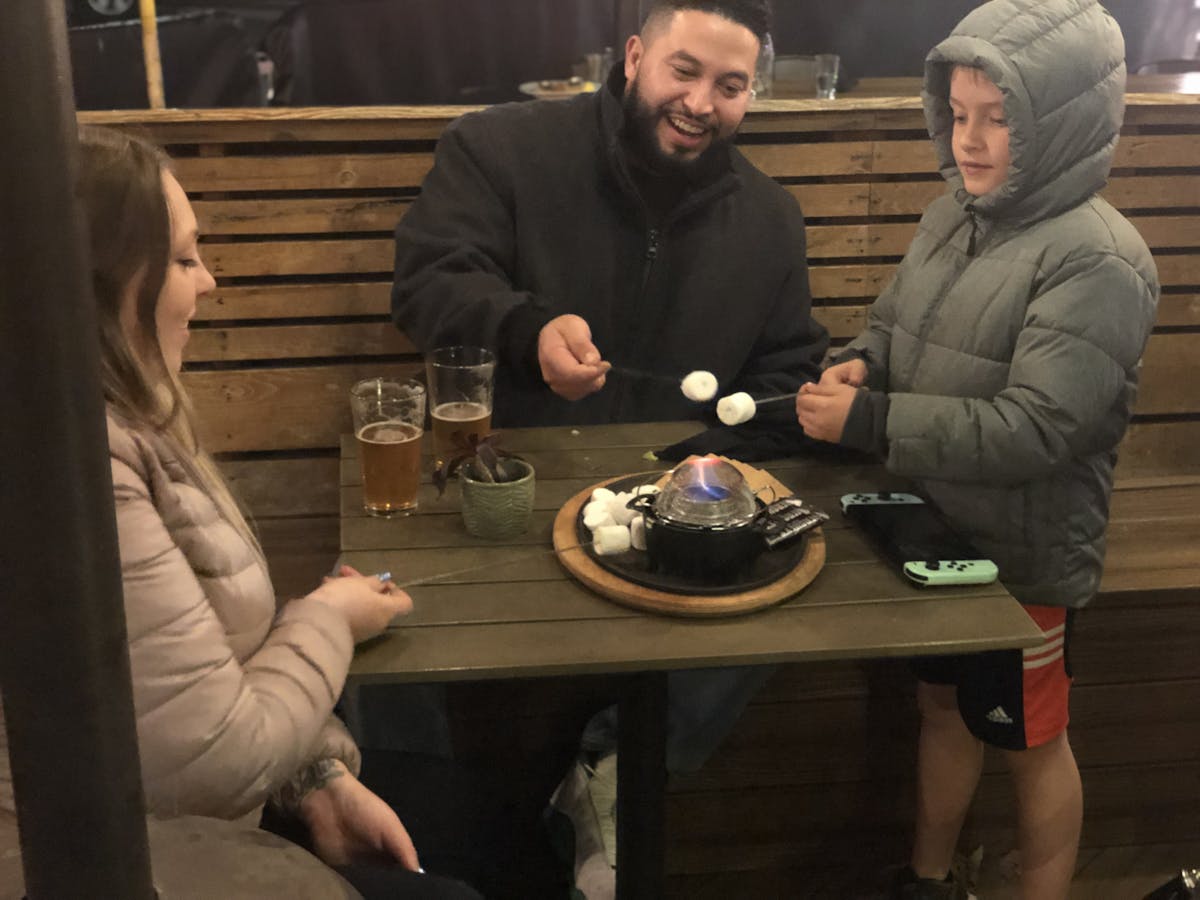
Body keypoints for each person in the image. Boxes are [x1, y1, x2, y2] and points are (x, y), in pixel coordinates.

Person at [391, 0, 829, 892]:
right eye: (684, 70)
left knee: (803, 567)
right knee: (388, 634)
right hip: (504, 484)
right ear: (633, 58)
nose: (702, 102)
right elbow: (430, 278)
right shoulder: (502, 148)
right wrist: (527, 327)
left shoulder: (771, 219)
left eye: (731, 85)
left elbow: (783, 372)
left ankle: (612, 767)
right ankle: (414, 848)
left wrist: (815, 403)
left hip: (673, 502)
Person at [0, 126, 487, 900]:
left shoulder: (118, 419)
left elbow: (189, 689)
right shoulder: (69, 463)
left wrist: (315, 777)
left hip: (199, 820)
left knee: (458, 812)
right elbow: (213, 759)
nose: (209, 283)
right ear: (109, 282)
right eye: (186, 258)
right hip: (119, 865)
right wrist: (329, 614)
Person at [794, 2, 1159, 898]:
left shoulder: (1098, 259)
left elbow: (1038, 428)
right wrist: (854, 367)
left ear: (1060, 121)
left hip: (1023, 559)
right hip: (934, 535)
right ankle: (928, 879)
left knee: (1032, 742)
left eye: (1001, 118)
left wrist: (872, 421)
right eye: (959, 114)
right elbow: (888, 328)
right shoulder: (954, 216)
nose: (971, 140)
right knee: (944, 712)